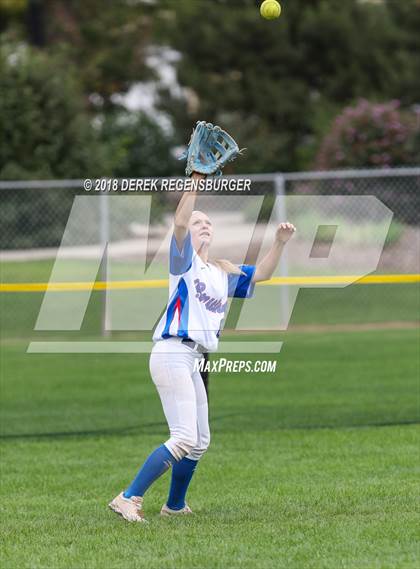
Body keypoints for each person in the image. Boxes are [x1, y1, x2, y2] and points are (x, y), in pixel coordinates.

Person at [109, 123, 296, 523]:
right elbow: (179, 224)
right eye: (198, 222)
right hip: (173, 352)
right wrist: (195, 181)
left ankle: (174, 505)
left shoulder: (220, 271)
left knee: (200, 441)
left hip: (193, 358)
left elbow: (261, 274)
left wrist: (278, 243)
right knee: (183, 438)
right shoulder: (184, 264)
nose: (203, 224)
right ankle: (128, 497)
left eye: (208, 222)